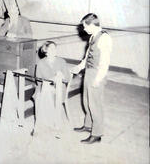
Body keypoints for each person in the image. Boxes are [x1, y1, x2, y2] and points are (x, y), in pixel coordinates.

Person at [71, 13, 112, 144]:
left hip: (97, 73)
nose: (83, 29)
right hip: (89, 71)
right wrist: (79, 68)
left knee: (95, 105)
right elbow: (88, 56)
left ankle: (97, 134)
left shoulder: (105, 38)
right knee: (86, 101)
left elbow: (105, 62)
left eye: (84, 26)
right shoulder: (93, 36)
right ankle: (88, 125)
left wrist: (98, 79)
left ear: (92, 24)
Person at [32, 41, 70, 138]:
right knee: (39, 96)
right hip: (44, 87)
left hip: (59, 88)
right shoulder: (40, 63)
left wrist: (61, 76)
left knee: (52, 95)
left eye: (55, 48)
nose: (54, 50)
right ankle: (39, 126)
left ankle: (56, 127)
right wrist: (50, 81)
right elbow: (38, 80)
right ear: (46, 50)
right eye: (51, 48)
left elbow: (67, 78)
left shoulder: (61, 61)